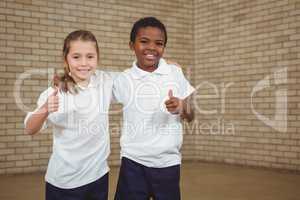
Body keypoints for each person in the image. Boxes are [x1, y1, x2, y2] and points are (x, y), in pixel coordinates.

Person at [24, 30, 113, 200]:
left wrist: (164, 64)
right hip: (64, 183)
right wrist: (45, 109)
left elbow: (132, 75)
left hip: (99, 176)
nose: (84, 63)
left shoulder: (105, 81)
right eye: (76, 57)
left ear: (97, 58)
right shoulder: (54, 93)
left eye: (90, 56)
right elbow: (30, 129)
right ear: (66, 59)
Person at [113, 17, 195, 200]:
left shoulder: (174, 73)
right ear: (131, 45)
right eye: (144, 41)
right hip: (133, 162)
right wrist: (67, 79)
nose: (151, 48)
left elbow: (191, 115)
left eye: (159, 43)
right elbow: (89, 84)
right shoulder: (123, 79)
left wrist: (182, 107)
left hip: (168, 163)